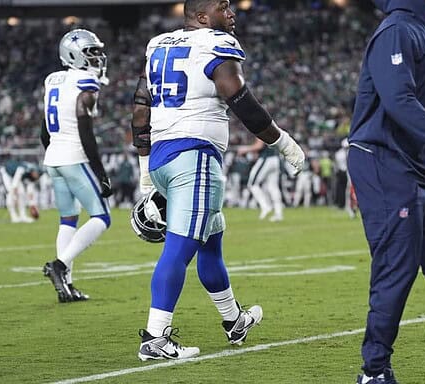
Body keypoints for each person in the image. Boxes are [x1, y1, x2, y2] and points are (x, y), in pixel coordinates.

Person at [130, 0, 304, 361]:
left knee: (211, 241)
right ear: (201, 16)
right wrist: (283, 142)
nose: (232, 13)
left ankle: (234, 320)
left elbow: (140, 106)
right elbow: (241, 101)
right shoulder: (214, 43)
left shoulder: (159, 45)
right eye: (223, 7)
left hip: (165, 156)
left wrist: (146, 166)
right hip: (194, 158)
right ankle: (155, 337)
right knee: (178, 250)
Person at [348, 1, 425, 383]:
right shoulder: (397, 29)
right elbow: (398, 101)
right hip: (384, 160)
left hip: (424, 168)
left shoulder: (421, 27)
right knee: (398, 266)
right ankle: (374, 371)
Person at [40, 29, 113, 303]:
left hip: (54, 158)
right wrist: (101, 172)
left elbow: (44, 131)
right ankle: (59, 265)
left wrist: (54, 153)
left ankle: (66, 287)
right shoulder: (85, 83)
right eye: (91, 52)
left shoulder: (53, 80)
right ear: (74, 55)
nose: (98, 57)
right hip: (74, 156)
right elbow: (86, 132)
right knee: (102, 217)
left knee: (68, 219)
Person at [237, 137, 284, 221]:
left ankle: (265, 206)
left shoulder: (261, 125)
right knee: (273, 187)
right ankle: (278, 213)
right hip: (275, 158)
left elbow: (259, 145)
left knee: (252, 184)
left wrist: (245, 150)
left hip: (266, 158)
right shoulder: (273, 127)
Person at [0, 159, 40, 223]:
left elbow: (30, 190)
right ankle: (13, 216)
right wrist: (15, 196)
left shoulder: (31, 175)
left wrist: (32, 204)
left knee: (21, 192)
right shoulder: (22, 169)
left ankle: (23, 216)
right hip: (6, 173)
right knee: (10, 193)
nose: (37, 176)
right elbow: (15, 183)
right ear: (33, 172)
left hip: (14, 175)